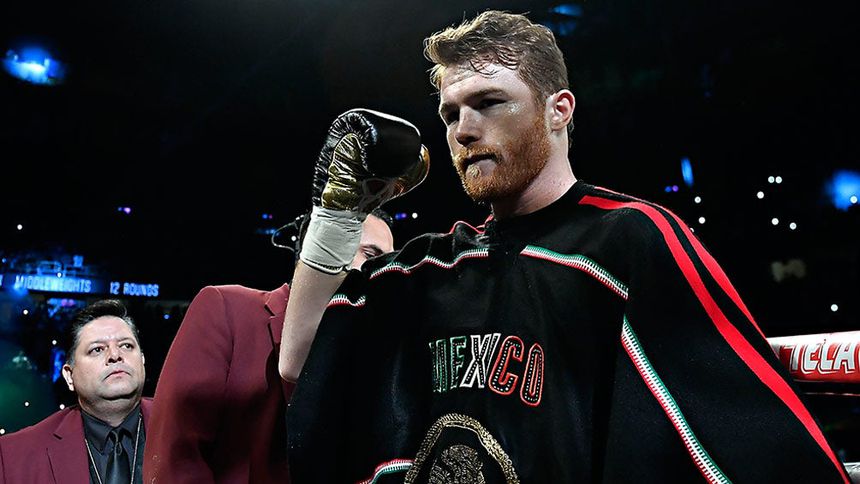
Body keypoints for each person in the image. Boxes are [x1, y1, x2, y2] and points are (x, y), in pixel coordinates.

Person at [280, 11, 849, 483]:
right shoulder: (428, 267)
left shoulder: (627, 239)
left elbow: (747, 438)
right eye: (451, 114)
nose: (464, 130)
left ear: (559, 110)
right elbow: (299, 361)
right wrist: (337, 213)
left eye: (490, 102)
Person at [142, 210, 394, 483]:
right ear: (320, 249)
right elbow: (175, 458)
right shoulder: (227, 308)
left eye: (388, 261)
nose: (382, 271)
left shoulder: (376, 353)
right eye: (370, 255)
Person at [0, 300, 152, 484]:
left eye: (126, 346)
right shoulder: (14, 456)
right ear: (69, 376)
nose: (115, 355)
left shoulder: (181, 426)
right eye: (97, 349)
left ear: (142, 360)